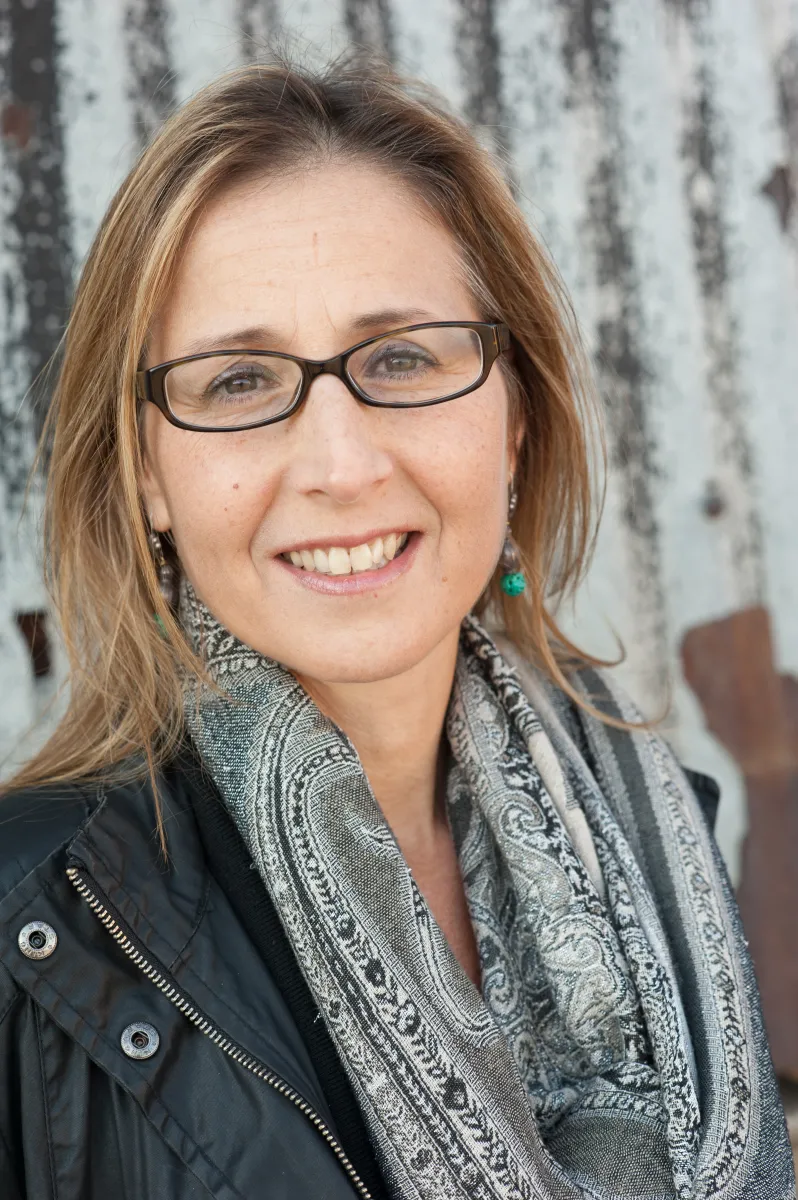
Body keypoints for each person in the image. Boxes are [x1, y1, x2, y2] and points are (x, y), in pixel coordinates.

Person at [0, 54, 792, 1200]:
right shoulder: (40, 940)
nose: (343, 463)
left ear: (514, 420)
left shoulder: (663, 839)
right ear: (148, 473)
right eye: (238, 382)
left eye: (402, 358)